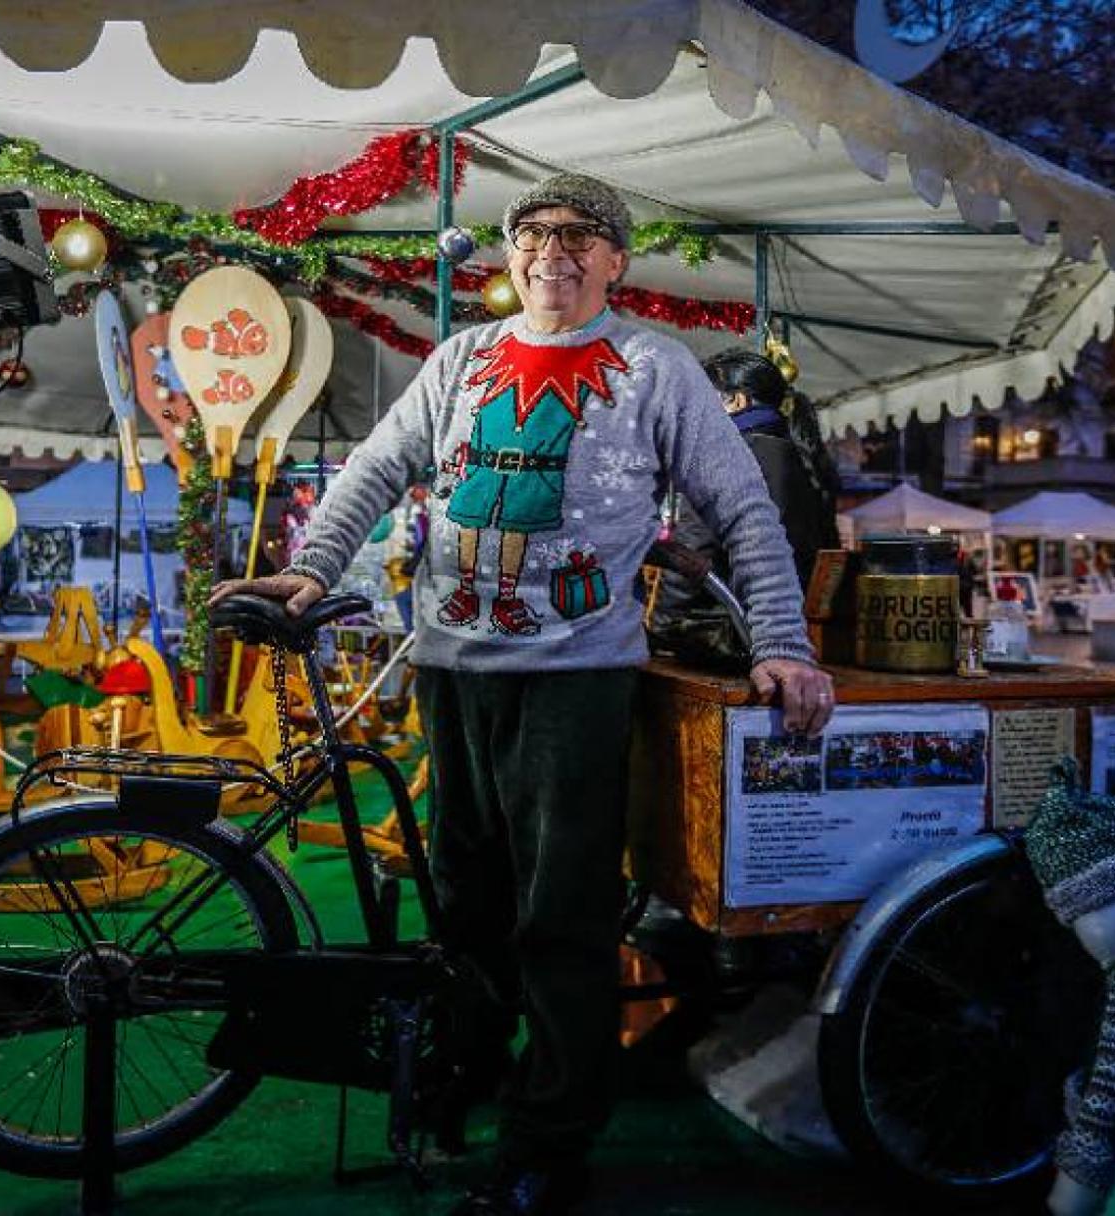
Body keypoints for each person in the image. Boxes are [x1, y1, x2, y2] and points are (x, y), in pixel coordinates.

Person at [213, 173, 833, 1216]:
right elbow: (376, 466)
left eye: (581, 233)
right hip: (453, 671)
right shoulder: (461, 358)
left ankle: (550, 1139)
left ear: (617, 260)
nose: (554, 250)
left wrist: (780, 641)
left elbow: (743, 508)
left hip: (576, 682)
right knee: (466, 900)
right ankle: (468, 1069)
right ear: (510, 255)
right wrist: (313, 566)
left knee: (562, 915)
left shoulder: (655, 366)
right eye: (534, 232)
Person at [649, 347, 840, 665]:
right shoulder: (805, 457)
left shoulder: (725, 457)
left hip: (736, 638)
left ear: (737, 401)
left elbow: (691, 554)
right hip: (797, 635)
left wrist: (661, 627)